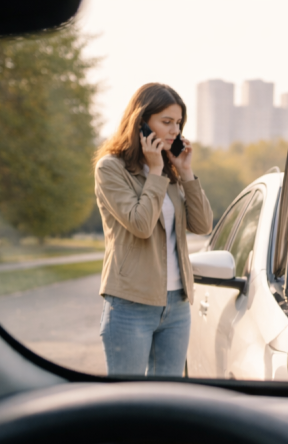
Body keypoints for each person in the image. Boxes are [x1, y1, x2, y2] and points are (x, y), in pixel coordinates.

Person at [93, 83, 213, 376]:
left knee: (168, 400)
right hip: (130, 304)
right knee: (128, 403)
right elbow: (141, 225)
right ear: (142, 123)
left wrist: (185, 172)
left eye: (179, 123)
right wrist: (156, 171)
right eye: (166, 122)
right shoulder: (110, 169)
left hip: (177, 306)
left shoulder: (171, 174)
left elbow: (203, 224)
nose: (175, 130)